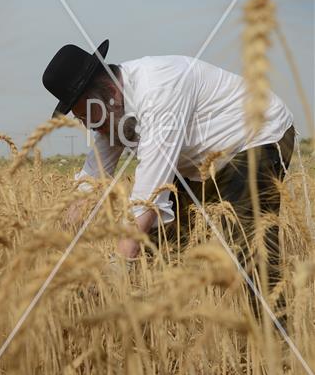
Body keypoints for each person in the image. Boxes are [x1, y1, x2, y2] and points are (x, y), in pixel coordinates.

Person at [43, 41, 295, 312]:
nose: (86, 125)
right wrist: (54, 244)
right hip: (198, 163)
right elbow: (93, 179)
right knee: (157, 251)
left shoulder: (159, 89)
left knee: (250, 253)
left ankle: (274, 345)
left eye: (85, 116)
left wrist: (119, 266)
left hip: (254, 137)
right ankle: (156, 336)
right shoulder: (109, 114)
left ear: (108, 93)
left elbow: (149, 194)